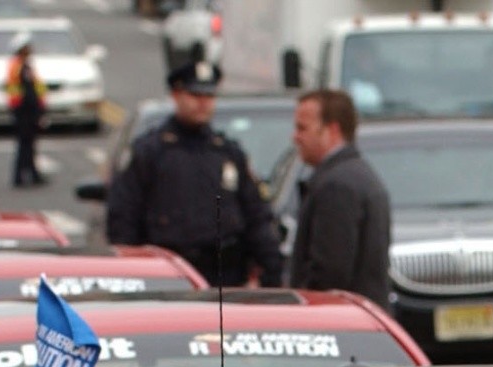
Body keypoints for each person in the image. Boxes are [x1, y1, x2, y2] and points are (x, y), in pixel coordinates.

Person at [106, 60, 285, 288]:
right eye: (194, 95)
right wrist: (132, 274)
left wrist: (271, 269)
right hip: (168, 277)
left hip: (224, 277)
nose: (203, 103)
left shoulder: (227, 153)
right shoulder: (151, 152)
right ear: (176, 95)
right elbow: (123, 219)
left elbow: (256, 216)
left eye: (209, 97)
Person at [288, 88, 392, 308]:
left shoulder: (337, 187)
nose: (295, 137)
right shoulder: (358, 175)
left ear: (332, 130)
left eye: (302, 128)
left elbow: (330, 273)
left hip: (339, 323)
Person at [6, 35, 45, 189]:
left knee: (28, 144)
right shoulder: (21, 67)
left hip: (23, 110)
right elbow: (29, 92)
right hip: (24, 111)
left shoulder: (20, 65)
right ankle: (20, 176)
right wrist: (38, 110)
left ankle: (31, 173)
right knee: (25, 144)